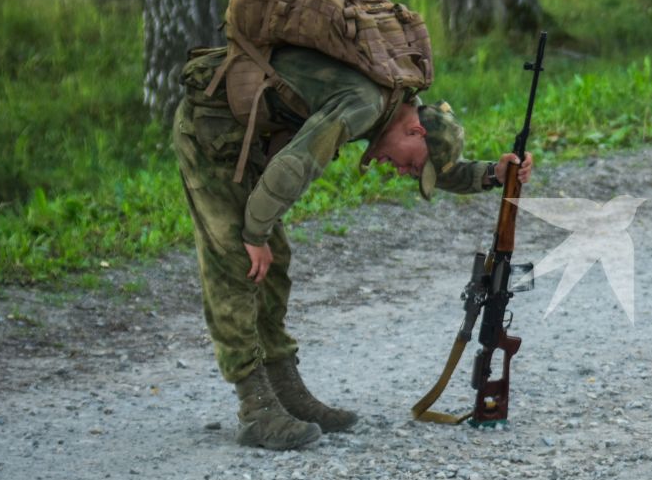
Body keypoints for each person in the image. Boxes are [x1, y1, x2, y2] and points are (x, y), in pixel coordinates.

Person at [173, 37, 532, 451]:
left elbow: (430, 160)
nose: (402, 172)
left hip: (249, 134)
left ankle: (285, 388)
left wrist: (491, 173)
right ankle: (255, 409)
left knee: (276, 263)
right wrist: (253, 236)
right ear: (415, 128)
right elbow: (293, 166)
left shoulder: (392, 102)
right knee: (238, 261)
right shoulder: (365, 105)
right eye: (412, 166)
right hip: (211, 128)